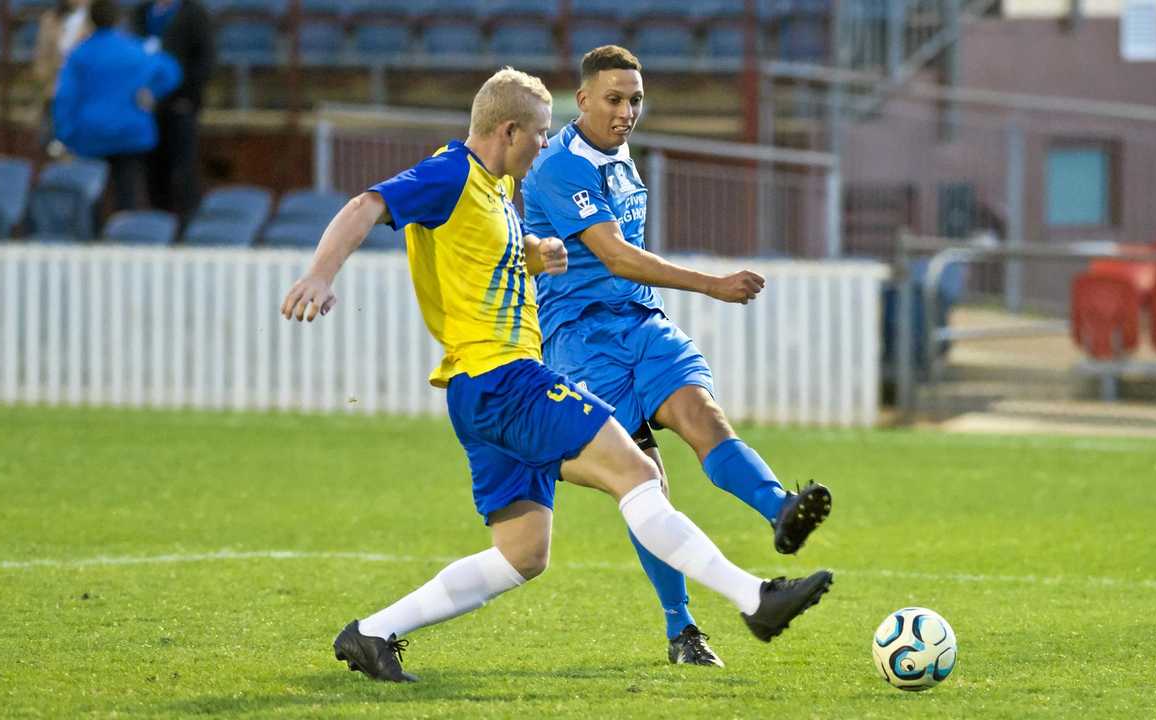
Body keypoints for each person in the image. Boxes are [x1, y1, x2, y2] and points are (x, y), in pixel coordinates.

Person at [279, 67, 832, 683]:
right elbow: (366, 204)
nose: (546, 144)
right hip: (505, 380)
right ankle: (754, 599)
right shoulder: (453, 171)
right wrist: (321, 275)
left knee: (523, 554)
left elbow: (480, 268)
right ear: (509, 129)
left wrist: (535, 257)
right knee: (638, 471)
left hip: (479, 392)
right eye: (540, 134)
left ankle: (373, 633)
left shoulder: (493, 194)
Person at [521, 46, 833, 667]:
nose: (627, 110)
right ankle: (682, 630)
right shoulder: (558, 168)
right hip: (581, 339)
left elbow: (627, 265)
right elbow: (616, 255)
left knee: (704, 417)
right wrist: (713, 284)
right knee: (648, 485)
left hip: (641, 323)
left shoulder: (619, 156)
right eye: (614, 99)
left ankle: (780, 510)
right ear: (581, 101)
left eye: (635, 99)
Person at [52, 0, 182, 211]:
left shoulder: (79, 55)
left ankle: (91, 238)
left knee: (89, 196)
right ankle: (125, 238)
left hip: (90, 135)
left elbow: (65, 97)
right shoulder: (135, 49)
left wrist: (64, 133)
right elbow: (171, 72)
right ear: (118, 20)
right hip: (130, 133)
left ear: (90, 21)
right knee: (127, 194)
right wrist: (152, 92)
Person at [130, 0, 214, 221]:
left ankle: (188, 229)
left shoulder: (194, 13)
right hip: (147, 110)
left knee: (183, 172)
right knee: (154, 174)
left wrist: (186, 96)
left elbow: (205, 61)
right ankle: (159, 226)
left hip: (180, 107)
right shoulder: (141, 13)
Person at [31, 0, 92, 155]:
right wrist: (47, 83)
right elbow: (41, 57)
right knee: (51, 146)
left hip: (85, 94)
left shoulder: (96, 20)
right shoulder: (50, 19)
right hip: (54, 91)